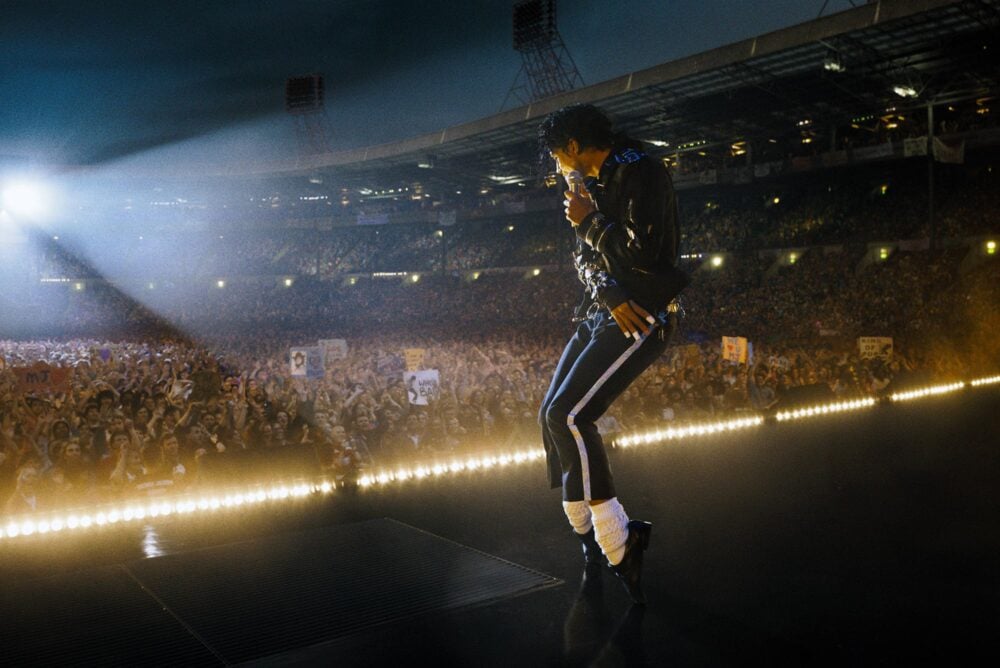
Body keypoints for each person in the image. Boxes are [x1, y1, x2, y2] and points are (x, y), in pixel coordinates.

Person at [537, 104, 689, 604]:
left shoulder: (639, 170)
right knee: (549, 416)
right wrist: (607, 291)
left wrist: (591, 222)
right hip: (607, 309)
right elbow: (583, 257)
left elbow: (645, 254)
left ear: (575, 147)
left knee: (572, 415)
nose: (557, 164)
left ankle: (620, 543)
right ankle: (587, 535)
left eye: (559, 154)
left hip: (645, 314)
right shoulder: (586, 184)